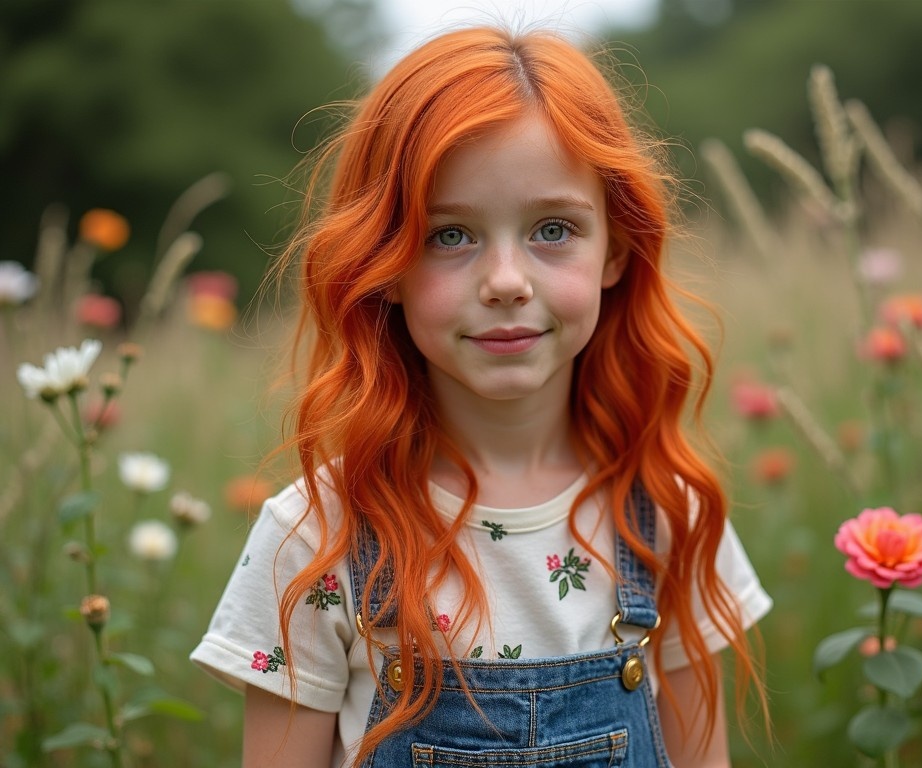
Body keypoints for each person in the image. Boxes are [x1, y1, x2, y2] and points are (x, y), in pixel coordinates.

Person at [190, 25, 771, 768]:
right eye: (450, 236)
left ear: (616, 251)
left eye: (552, 229)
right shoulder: (315, 540)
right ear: (385, 265)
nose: (505, 280)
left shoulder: (669, 519)